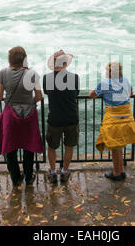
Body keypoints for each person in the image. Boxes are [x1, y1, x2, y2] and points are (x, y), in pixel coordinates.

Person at [0, 46, 44, 186]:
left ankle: (15, 178)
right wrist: (28, 102)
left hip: (11, 114)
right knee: (29, 146)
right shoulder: (32, 74)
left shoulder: (3, 73)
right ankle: (28, 176)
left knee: (10, 147)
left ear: (10, 60)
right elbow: (39, 97)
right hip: (28, 114)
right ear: (24, 59)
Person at [89, 62, 135, 181]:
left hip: (113, 120)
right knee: (119, 146)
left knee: (115, 146)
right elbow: (131, 94)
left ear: (109, 72)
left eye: (106, 70)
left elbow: (92, 95)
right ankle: (121, 170)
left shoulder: (104, 83)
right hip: (127, 118)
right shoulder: (125, 80)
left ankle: (116, 173)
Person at [43, 50, 80, 183]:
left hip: (54, 119)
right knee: (69, 146)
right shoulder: (74, 77)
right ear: (65, 63)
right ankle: (64, 171)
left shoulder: (47, 78)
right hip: (71, 117)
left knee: (52, 147)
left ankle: (53, 172)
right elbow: (76, 94)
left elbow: (47, 92)